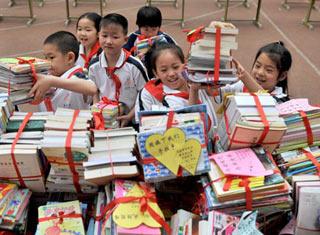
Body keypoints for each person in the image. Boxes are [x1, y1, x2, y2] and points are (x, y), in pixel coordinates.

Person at [135, 42, 218, 134]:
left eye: (175, 67)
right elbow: (192, 128)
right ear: (155, 73)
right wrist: (194, 90)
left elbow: (226, 88)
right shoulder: (148, 93)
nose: (171, 74)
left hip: (212, 144)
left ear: (185, 64)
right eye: (164, 70)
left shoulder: (197, 79)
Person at [89, 13, 149, 127]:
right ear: (98, 36)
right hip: (103, 119)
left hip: (130, 119)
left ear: (125, 39)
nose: (108, 41)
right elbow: (94, 91)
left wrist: (130, 116)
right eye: (104, 36)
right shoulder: (94, 66)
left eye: (115, 37)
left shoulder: (134, 66)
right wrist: (97, 112)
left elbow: (145, 94)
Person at [29, 31, 97, 111]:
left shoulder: (77, 75)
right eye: (45, 57)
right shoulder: (46, 76)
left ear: (70, 58)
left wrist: (52, 81)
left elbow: (92, 88)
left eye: (51, 57)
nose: (47, 62)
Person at [220, 41, 292, 103]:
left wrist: (245, 77)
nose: (260, 72)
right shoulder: (242, 86)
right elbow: (218, 93)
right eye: (258, 66)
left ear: (282, 76)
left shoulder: (281, 101)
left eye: (268, 70)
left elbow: (266, 103)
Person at [123, 6, 176, 78]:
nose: (150, 33)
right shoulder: (133, 37)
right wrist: (135, 58)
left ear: (159, 27)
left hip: (159, 73)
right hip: (138, 72)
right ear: (139, 26)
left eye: (154, 29)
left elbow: (176, 53)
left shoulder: (165, 38)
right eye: (146, 29)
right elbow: (124, 53)